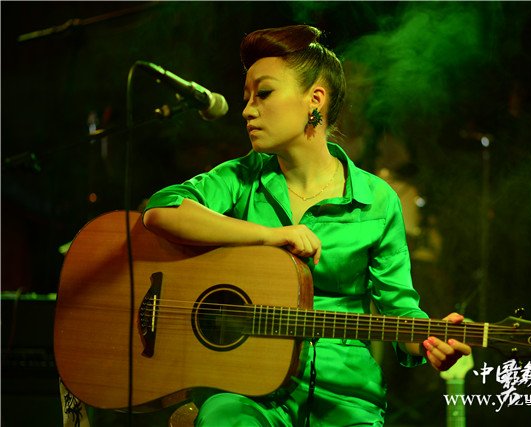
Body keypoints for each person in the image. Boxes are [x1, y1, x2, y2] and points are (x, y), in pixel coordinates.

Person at [142, 24, 471, 427]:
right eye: (247, 98)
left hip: (345, 396)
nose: (247, 110)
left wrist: (430, 342)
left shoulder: (378, 199)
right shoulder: (241, 178)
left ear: (315, 99)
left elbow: (399, 308)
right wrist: (269, 235)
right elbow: (162, 210)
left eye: (264, 93)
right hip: (247, 389)